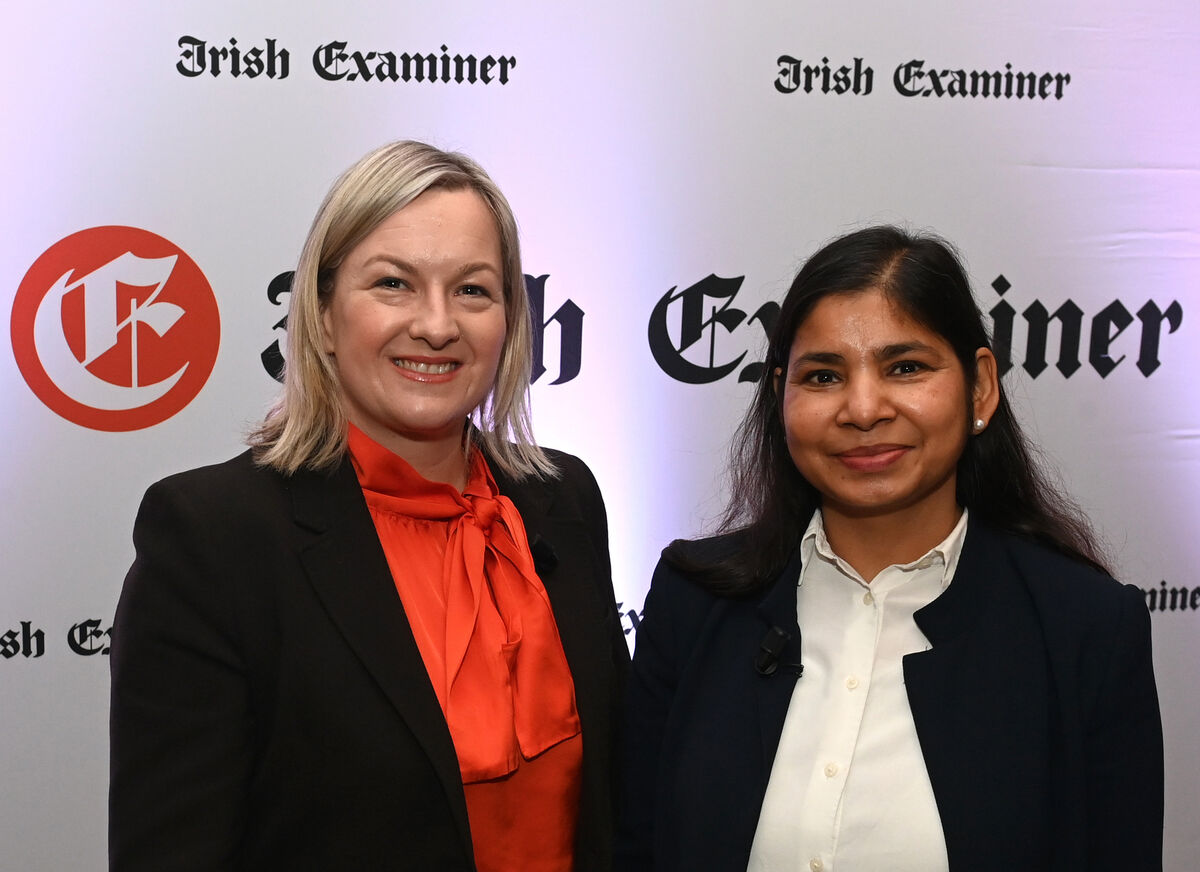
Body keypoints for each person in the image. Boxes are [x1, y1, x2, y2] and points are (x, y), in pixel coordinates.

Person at [110, 140, 628, 872]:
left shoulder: (562, 500)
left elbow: (617, 805)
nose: (438, 325)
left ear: (510, 319)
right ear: (322, 316)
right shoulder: (212, 536)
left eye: (473, 290)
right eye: (393, 284)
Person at [615, 226, 1163, 872]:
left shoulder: (1086, 630)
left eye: (906, 367)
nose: (864, 408)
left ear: (980, 387)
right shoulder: (696, 600)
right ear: (780, 395)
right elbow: (634, 850)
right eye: (823, 376)